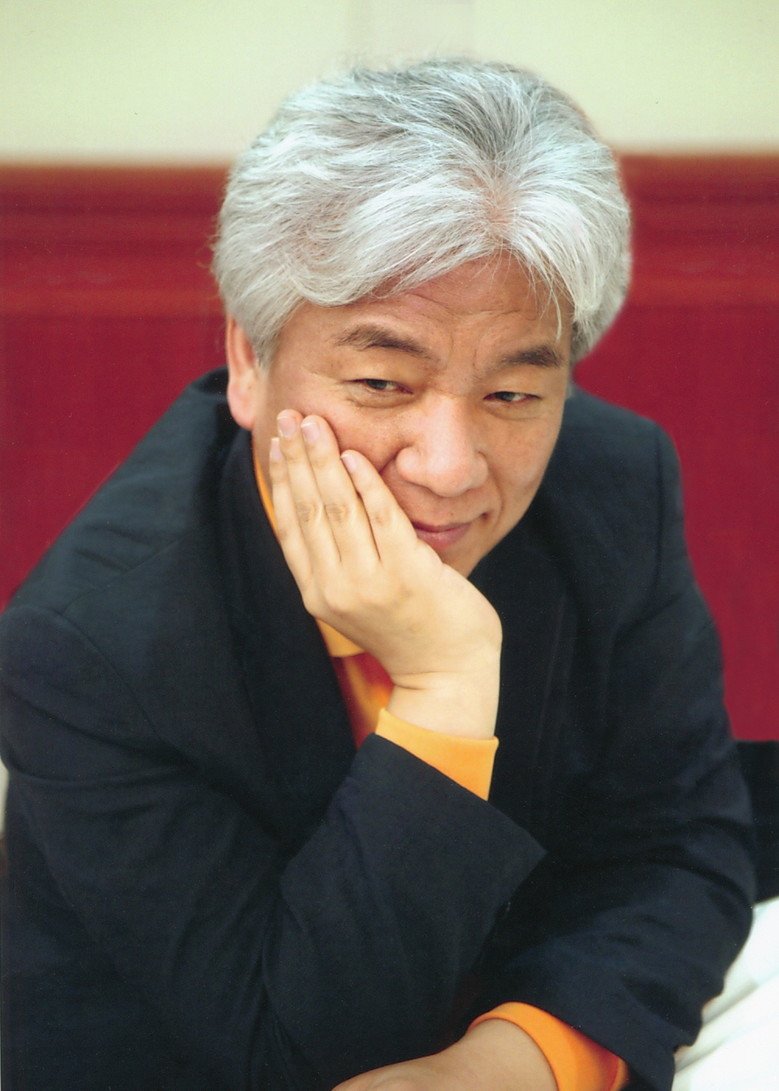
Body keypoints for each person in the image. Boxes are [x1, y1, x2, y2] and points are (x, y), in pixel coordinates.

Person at [0, 59, 757, 1090]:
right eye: (382, 382)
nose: (448, 467)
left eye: (511, 394)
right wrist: (446, 686)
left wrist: (524, 1058)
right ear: (250, 362)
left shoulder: (613, 484)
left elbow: (679, 843)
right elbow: (292, 1048)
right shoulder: (89, 643)